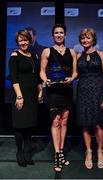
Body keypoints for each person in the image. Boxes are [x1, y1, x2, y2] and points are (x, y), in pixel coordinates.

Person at [40, 23, 77, 172]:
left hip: (66, 90)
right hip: (53, 91)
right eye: (56, 33)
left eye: (61, 32)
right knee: (55, 122)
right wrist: (45, 80)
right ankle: (57, 154)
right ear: (53, 35)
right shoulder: (46, 51)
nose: (59, 35)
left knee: (64, 121)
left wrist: (72, 78)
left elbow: (75, 72)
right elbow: (42, 72)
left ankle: (61, 152)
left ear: (65, 35)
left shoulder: (72, 52)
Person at [76, 28, 103, 169]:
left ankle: (100, 151)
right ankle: (89, 152)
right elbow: (74, 74)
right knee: (85, 123)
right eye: (83, 38)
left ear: (93, 39)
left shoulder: (101, 54)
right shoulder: (78, 56)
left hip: (98, 92)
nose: (85, 40)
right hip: (83, 92)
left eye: (88, 38)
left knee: (98, 124)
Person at [9, 29, 42, 167]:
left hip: (32, 95)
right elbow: (14, 78)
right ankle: (20, 152)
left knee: (29, 126)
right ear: (17, 42)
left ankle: (28, 152)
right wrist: (19, 96)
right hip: (20, 95)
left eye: (25, 40)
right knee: (19, 126)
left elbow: (37, 76)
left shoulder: (34, 55)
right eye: (21, 40)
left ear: (29, 40)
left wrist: (40, 92)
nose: (23, 42)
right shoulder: (15, 55)